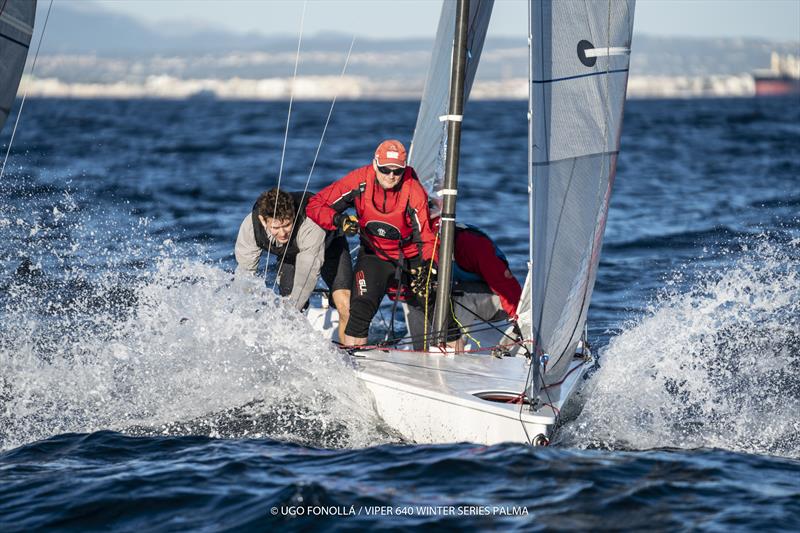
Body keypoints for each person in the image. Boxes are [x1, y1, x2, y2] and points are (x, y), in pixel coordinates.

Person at [306, 139, 460, 348]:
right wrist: (338, 220)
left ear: (404, 169)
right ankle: (353, 364)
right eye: (385, 169)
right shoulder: (358, 181)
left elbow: (425, 235)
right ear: (375, 163)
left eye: (397, 171)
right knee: (359, 311)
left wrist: (429, 266)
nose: (390, 176)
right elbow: (315, 205)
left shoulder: (413, 191)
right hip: (374, 255)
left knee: (438, 308)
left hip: (411, 256)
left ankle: (457, 360)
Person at [235, 188, 352, 342]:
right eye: (276, 228)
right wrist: (239, 317)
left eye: (287, 225)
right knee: (288, 303)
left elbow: (307, 277)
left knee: (344, 304)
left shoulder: (309, 224)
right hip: (290, 256)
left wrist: (291, 311)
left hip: (330, 247)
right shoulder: (251, 227)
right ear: (263, 220)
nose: (282, 233)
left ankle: (350, 355)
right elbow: (244, 274)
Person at [405, 213, 522, 351]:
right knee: (417, 293)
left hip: (497, 304)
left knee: (458, 295)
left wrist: (520, 322)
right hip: (457, 296)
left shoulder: (472, 244)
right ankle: (420, 351)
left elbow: (506, 287)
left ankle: (452, 350)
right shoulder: (418, 246)